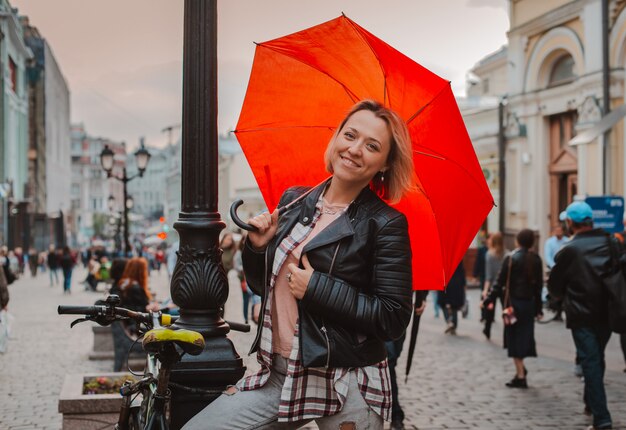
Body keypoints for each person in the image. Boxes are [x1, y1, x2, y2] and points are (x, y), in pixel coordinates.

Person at [183, 99, 415, 429]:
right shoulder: (295, 201)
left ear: (385, 164)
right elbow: (265, 287)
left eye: (372, 146)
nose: (355, 149)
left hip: (348, 379)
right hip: (281, 372)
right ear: (335, 138)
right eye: (350, 135)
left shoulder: (384, 223)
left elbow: (393, 317)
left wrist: (316, 288)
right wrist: (257, 248)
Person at [548, 201, 615, 430]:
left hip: (581, 314)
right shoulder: (611, 242)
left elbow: (554, 287)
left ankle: (602, 418)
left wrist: (558, 298)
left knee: (591, 361)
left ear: (570, 223)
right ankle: (591, 402)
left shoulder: (568, 250)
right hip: (608, 312)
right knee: (596, 357)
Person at [485, 229, 543, 389]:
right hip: (529, 305)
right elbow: (538, 287)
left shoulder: (511, 259)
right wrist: (539, 309)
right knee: (524, 337)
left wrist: (488, 298)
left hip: (513, 306)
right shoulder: (536, 259)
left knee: (514, 338)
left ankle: (520, 375)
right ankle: (521, 370)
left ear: (518, 241)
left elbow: (499, 282)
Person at [387, 291, 428, 430]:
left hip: (400, 309)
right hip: (373, 305)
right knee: (388, 361)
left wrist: (422, 297)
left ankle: (393, 412)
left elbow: (420, 272)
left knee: (391, 360)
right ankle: (395, 414)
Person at [481, 232, 506, 340]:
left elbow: (489, 275)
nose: (488, 241)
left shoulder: (489, 254)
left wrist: (485, 290)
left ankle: (487, 329)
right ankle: (508, 331)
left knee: (490, 309)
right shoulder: (507, 254)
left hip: (493, 287)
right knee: (506, 309)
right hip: (505, 287)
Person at [437, 262, 466, 335]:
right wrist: (464, 285)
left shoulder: (442, 254)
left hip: (444, 281)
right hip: (456, 283)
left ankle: (449, 322)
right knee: (454, 306)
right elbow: (462, 271)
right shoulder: (457, 254)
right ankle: (453, 325)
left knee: (443, 304)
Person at [233, 234, 254, 324]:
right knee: (246, 299)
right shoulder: (239, 252)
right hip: (244, 279)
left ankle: (254, 315)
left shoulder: (253, 250)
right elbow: (236, 266)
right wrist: (246, 268)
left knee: (254, 298)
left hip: (253, 278)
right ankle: (246, 318)